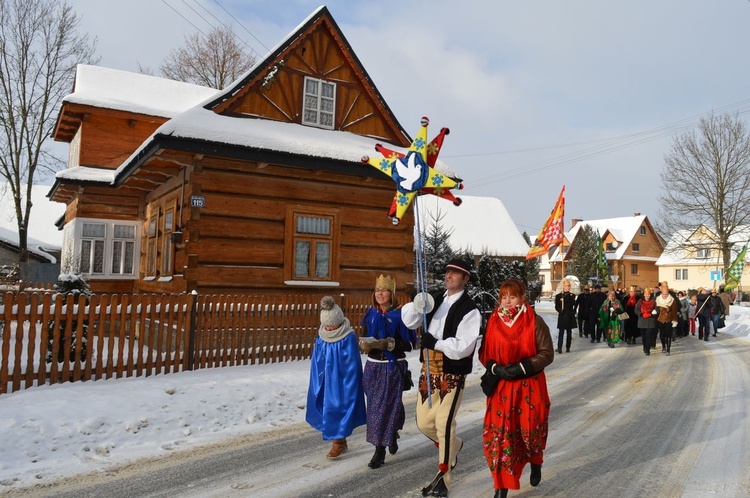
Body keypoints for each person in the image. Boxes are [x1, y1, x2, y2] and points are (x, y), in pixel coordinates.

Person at [401, 259, 482, 498]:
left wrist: (435, 343)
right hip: (429, 370)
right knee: (424, 422)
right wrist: (418, 303)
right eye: (447, 272)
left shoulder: (470, 309)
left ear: (466, 279)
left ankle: (443, 477)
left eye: (455, 274)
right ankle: (453, 446)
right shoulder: (434, 298)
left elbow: (464, 347)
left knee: (444, 424)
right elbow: (409, 321)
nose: (449, 276)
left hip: (452, 373)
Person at [479, 278, 554, 498]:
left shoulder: (534, 321)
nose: (508, 301)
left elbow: (547, 353)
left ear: (522, 297)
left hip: (529, 386)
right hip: (502, 389)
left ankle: (535, 461)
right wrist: (494, 368)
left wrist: (522, 367)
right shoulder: (493, 321)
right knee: (501, 436)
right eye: (504, 297)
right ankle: (501, 486)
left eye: (513, 296)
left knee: (530, 432)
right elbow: (484, 353)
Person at [359, 275, 417, 469]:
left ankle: (379, 449)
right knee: (377, 406)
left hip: (393, 367)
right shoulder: (371, 314)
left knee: (384, 407)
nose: (380, 294)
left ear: (391, 294)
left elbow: (410, 344)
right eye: (377, 291)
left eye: (383, 291)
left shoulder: (400, 315)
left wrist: (390, 344)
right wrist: (366, 345)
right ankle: (391, 432)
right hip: (373, 366)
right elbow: (364, 336)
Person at [305, 296, 366, 459]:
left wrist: (346, 379)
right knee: (326, 408)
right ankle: (340, 441)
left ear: (339, 322)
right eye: (327, 326)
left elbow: (352, 362)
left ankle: (338, 443)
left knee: (339, 408)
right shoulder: (322, 335)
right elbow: (317, 358)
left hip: (342, 380)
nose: (330, 330)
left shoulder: (348, 336)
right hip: (325, 379)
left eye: (333, 326)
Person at [655, 281, 679, 356]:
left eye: (666, 294)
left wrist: (675, 320)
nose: (665, 296)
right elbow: (656, 307)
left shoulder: (672, 299)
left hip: (669, 319)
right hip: (661, 319)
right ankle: (663, 346)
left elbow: (675, 311)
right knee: (662, 335)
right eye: (664, 294)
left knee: (669, 335)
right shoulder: (658, 298)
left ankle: (668, 349)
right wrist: (655, 311)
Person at [554, 279, 577, 353]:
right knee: (561, 333)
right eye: (566, 286)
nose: (568, 287)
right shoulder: (558, 296)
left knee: (569, 333)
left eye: (569, 286)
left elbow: (573, 304)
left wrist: (573, 310)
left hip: (569, 315)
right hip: (562, 316)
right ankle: (559, 347)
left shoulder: (572, 295)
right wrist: (560, 310)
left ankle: (568, 347)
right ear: (563, 287)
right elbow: (556, 306)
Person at [635, 287, 657, 355]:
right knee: (644, 336)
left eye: (648, 294)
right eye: (646, 294)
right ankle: (645, 347)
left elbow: (657, 309)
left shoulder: (653, 301)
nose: (647, 295)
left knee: (648, 336)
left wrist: (652, 314)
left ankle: (647, 349)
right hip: (642, 321)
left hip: (650, 321)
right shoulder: (640, 301)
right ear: (644, 294)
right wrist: (641, 314)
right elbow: (636, 310)